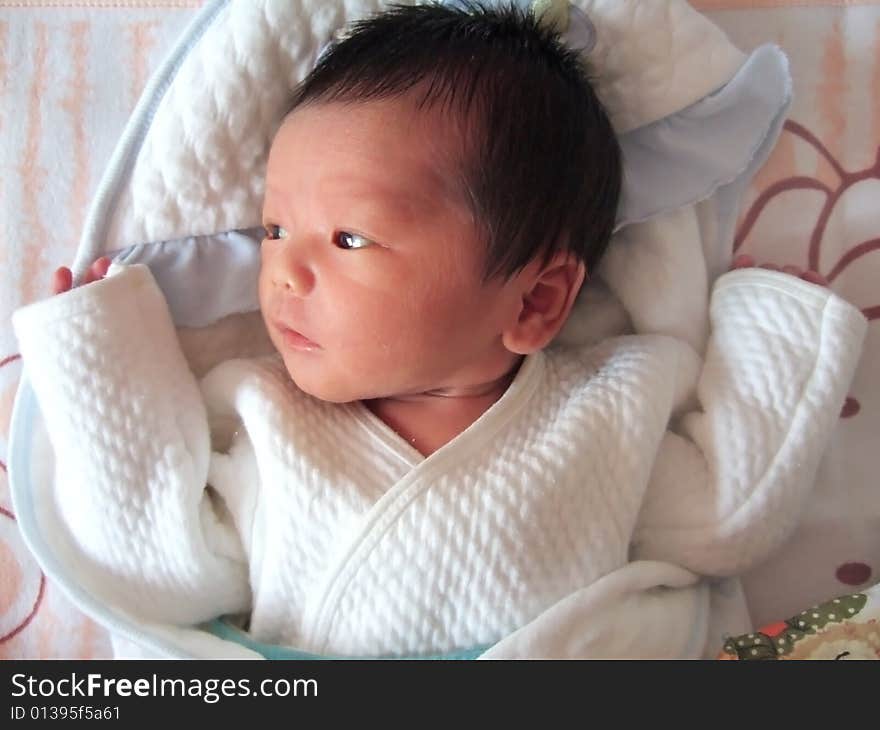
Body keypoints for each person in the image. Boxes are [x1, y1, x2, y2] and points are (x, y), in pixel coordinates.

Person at [15, 2, 866, 658]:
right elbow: (156, 563)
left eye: (348, 239)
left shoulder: (617, 403)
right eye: (274, 230)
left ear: (534, 303)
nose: (283, 272)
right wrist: (106, 360)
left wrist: (776, 337)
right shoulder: (263, 422)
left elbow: (728, 514)